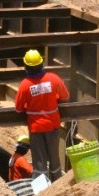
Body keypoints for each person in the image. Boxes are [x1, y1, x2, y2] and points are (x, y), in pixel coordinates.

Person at [14, 49, 69, 181]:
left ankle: (42, 190)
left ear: (26, 66)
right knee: (55, 159)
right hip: (53, 126)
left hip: (36, 128)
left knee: (39, 162)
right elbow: (65, 96)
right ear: (41, 63)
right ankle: (57, 184)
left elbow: (18, 108)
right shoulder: (53, 79)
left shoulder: (25, 85)